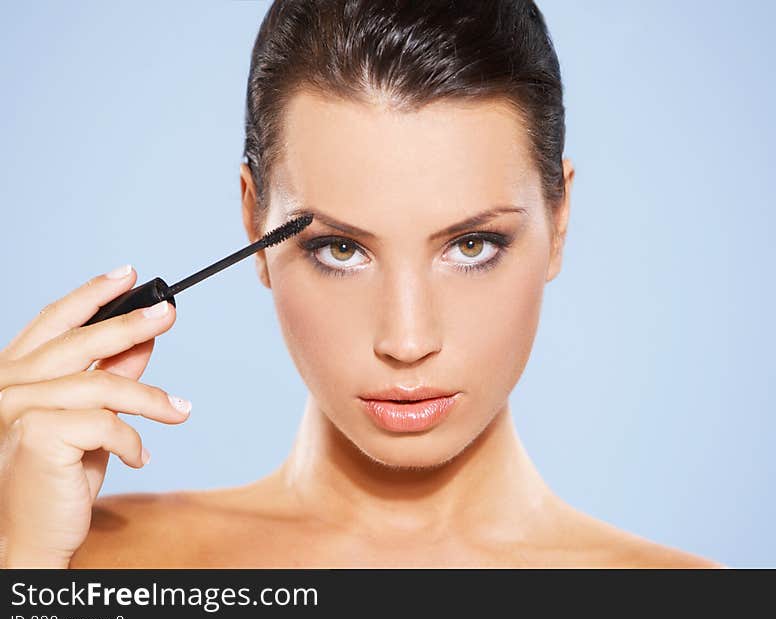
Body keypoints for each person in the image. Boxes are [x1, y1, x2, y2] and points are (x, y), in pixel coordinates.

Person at [0, 0, 723, 568]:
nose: (407, 340)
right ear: (254, 220)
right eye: (341, 249)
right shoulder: (87, 572)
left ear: (558, 220)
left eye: (472, 244)